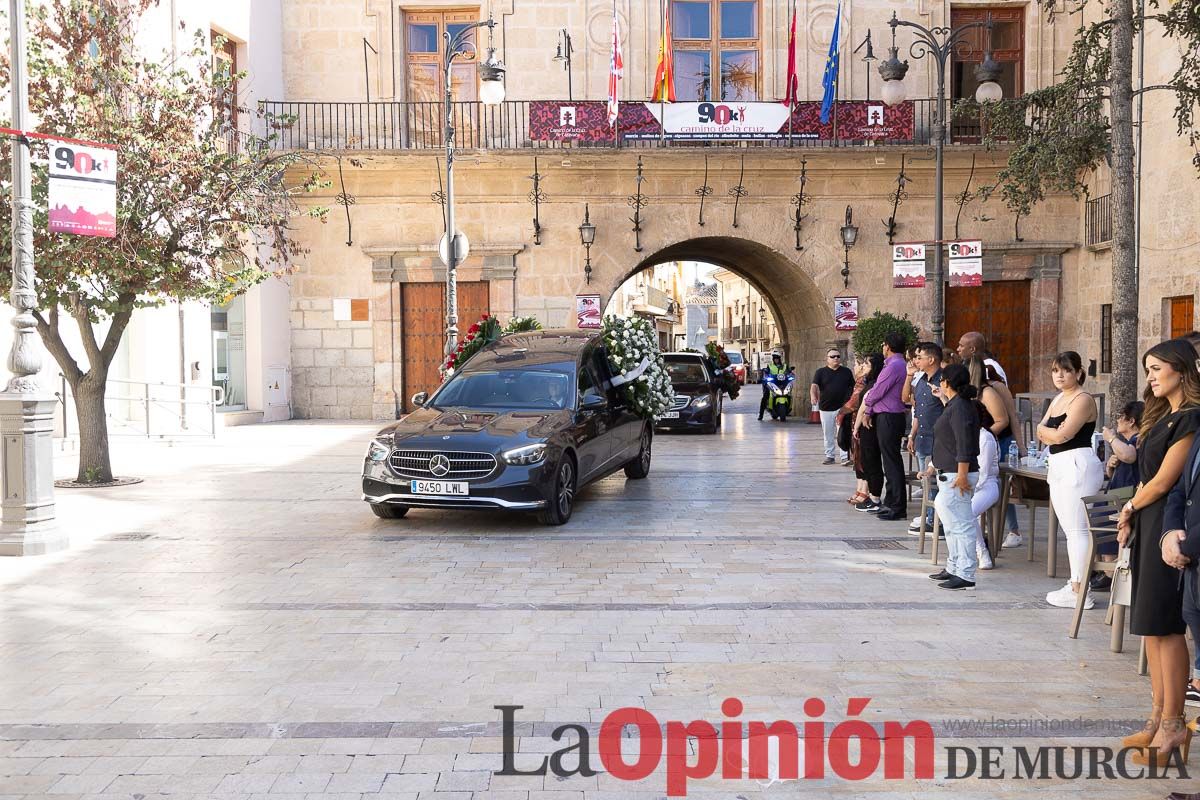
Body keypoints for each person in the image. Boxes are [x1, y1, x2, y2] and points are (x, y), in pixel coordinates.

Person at [1117, 337, 1200, 767]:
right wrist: (1133, 512)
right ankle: (1155, 717)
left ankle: (1173, 722)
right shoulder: (1162, 415)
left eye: (1155, 368)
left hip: (1166, 525)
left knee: (1166, 625)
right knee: (1149, 624)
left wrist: (1130, 505)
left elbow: (1167, 480)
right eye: (1147, 368)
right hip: (1148, 521)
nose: (1149, 376)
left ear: (1180, 370)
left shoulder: (1189, 418)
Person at [1036, 351, 1105, 610]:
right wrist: (1049, 433)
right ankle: (1076, 582)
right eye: (1056, 370)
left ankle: (1081, 589)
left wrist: (1049, 433)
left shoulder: (1083, 398)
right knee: (1070, 530)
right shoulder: (1058, 399)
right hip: (1060, 464)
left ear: (1078, 372)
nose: (1060, 375)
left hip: (1077, 462)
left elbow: (1064, 435)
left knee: (1077, 530)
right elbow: (1043, 431)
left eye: (1065, 370)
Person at [922, 364, 981, 589]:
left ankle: (965, 574)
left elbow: (964, 442)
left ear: (946, 382)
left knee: (962, 525)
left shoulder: (961, 408)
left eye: (942, 381)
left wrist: (963, 475)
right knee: (951, 524)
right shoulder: (955, 405)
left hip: (957, 475)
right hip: (948, 473)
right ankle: (954, 566)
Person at [966, 356, 1027, 549]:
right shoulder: (968, 393)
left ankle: (1011, 529)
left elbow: (1007, 419)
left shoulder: (991, 390)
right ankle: (982, 530)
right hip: (981, 443)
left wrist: (983, 436)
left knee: (997, 486)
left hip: (995, 442)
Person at [1090, 400, 1144, 592]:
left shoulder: (1138, 439)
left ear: (1131, 421)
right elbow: (1122, 471)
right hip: (1117, 494)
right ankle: (1103, 568)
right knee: (1098, 520)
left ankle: (1109, 572)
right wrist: (1111, 467)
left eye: (1121, 417)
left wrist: (1111, 439)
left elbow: (1130, 456)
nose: (1117, 421)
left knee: (1104, 522)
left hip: (1125, 499)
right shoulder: (1127, 443)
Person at [863, 332, 909, 521]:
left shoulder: (894, 366)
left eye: (883, 344)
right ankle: (890, 501)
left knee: (892, 461)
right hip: (887, 416)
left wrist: (867, 408)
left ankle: (897, 506)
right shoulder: (894, 365)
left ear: (888, 346)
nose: (882, 347)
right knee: (889, 460)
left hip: (889, 417)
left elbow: (877, 390)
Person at [907, 342, 944, 533]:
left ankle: (936, 520)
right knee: (926, 482)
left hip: (938, 440)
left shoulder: (943, 381)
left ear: (931, 359)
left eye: (919, 357)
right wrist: (912, 435)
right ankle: (929, 516)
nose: (916, 360)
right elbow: (918, 412)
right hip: (921, 437)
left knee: (938, 482)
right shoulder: (921, 380)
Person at [851, 354, 886, 512]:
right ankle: (872, 495)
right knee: (867, 460)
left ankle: (874, 497)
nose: (864, 366)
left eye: (867, 364)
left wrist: (856, 426)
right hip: (867, 427)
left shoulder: (875, 384)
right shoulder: (869, 382)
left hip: (869, 426)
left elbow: (864, 405)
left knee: (872, 461)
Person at [811, 349, 855, 465]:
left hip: (842, 408)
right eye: (832, 356)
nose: (836, 358)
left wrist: (850, 402)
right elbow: (814, 385)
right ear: (827, 359)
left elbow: (853, 387)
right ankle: (830, 455)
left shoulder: (846, 372)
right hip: (826, 407)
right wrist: (813, 396)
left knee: (843, 432)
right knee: (828, 433)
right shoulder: (820, 372)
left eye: (837, 356)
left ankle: (845, 456)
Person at [971, 403, 1000, 571]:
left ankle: (982, 550)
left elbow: (983, 471)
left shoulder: (985, 437)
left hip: (987, 485)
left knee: (968, 511)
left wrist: (970, 489)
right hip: (968, 483)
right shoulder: (967, 435)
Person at [759, 352, 786, 421]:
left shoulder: (784, 366)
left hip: (782, 384)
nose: (776, 360)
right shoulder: (770, 366)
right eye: (775, 359)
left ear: (780, 359)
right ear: (773, 359)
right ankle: (761, 415)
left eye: (777, 359)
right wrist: (765, 375)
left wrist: (790, 374)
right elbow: (766, 372)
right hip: (772, 384)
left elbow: (788, 372)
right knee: (765, 397)